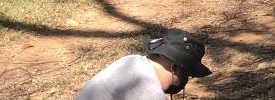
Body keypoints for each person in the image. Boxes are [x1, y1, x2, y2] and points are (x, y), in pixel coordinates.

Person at [76, 28, 212, 100]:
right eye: (186, 75)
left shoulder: (131, 61)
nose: (184, 82)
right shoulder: (148, 90)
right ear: (174, 68)